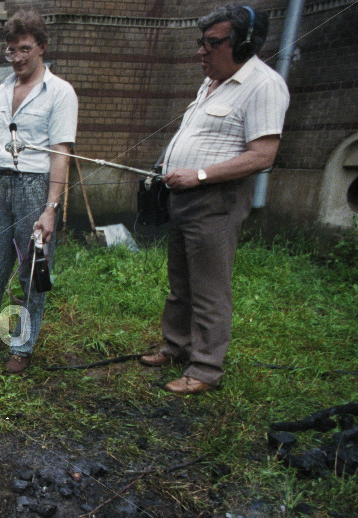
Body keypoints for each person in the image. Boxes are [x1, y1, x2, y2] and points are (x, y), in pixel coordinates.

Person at [140, 5, 288, 395]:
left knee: (209, 289)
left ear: (243, 43)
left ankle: (205, 369)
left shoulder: (263, 85)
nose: (201, 52)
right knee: (180, 284)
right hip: (183, 199)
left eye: (212, 43)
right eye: (200, 43)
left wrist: (200, 174)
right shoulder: (211, 83)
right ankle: (175, 346)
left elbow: (263, 155)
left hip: (216, 201)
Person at [0, 9, 77, 374]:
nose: (17, 58)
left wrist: (50, 207)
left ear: (41, 47)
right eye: (11, 51)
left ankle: (21, 348)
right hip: (2, 186)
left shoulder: (61, 93)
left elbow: (61, 155)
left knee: (30, 271)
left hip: (35, 187)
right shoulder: (2, 90)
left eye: (24, 49)